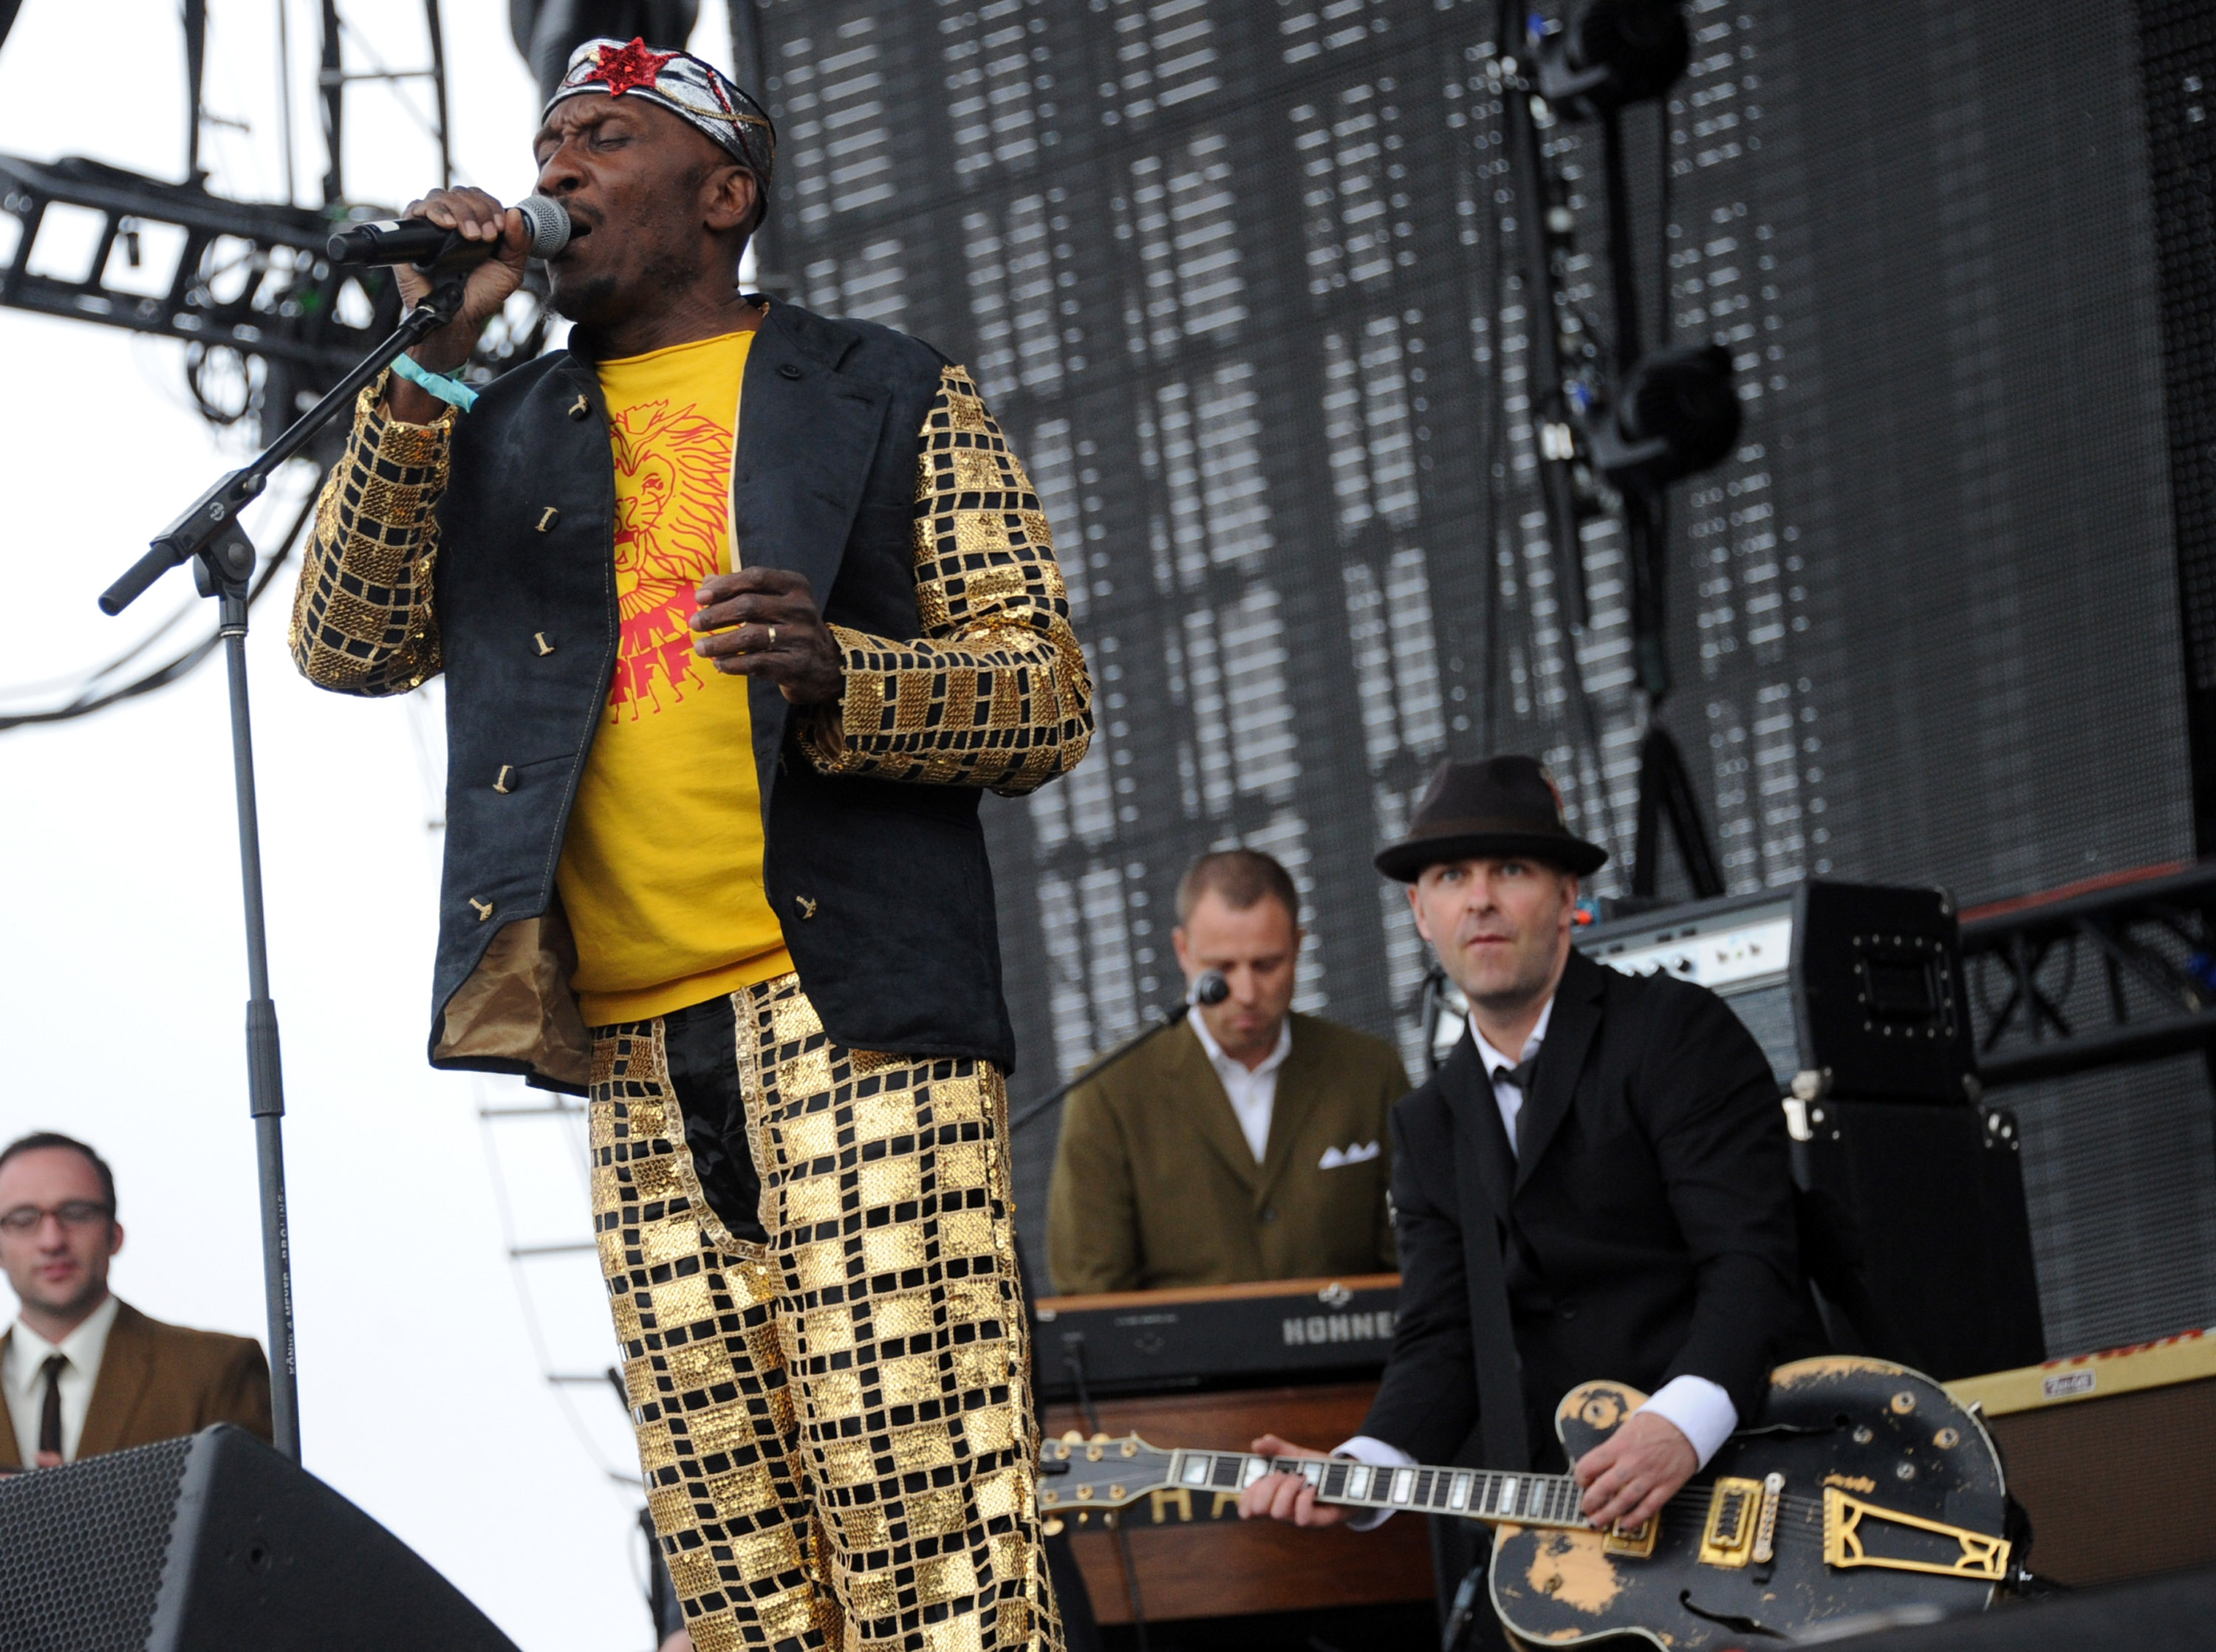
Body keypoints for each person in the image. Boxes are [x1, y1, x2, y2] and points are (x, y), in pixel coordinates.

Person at [288, 38, 1089, 1652]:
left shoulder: (883, 385)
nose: (560, 165)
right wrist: (431, 352)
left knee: (932, 1535)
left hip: (854, 1017)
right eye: (549, 137)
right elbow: (346, 638)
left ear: (723, 194)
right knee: (737, 1572)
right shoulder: (489, 418)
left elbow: (1047, 691)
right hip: (636, 1056)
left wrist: (845, 672)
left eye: (605, 136)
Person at [1239, 757, 1819, 1618]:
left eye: (1509, 869)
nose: (1479, 898)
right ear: (1419, 912)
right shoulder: (1430, 1124)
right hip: (1584, 1552)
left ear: (1567, 893)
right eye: (1449, 876)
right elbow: (1441, 1338)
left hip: (1757, 1490)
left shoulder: (1675, 1034)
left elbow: (1753, 1258)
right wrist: (1365, 1468)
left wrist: (1682, 1423)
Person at [1044, 849, 1409, 1294]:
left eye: (1266, 965)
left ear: (1298, 945)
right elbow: (1091, 1293)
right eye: (1222, 970)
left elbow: (1415, 1258)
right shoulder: (1107, 1093)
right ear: (1183, 951)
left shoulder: (1370, 1072)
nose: (1247, 993)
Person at [0, 1133, 271, 1470]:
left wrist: (84, 1510)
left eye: (77, 1213)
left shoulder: (217, 1370)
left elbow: (260, 1518)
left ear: (115, 1234)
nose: (52, 1240)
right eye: (23, 1220)